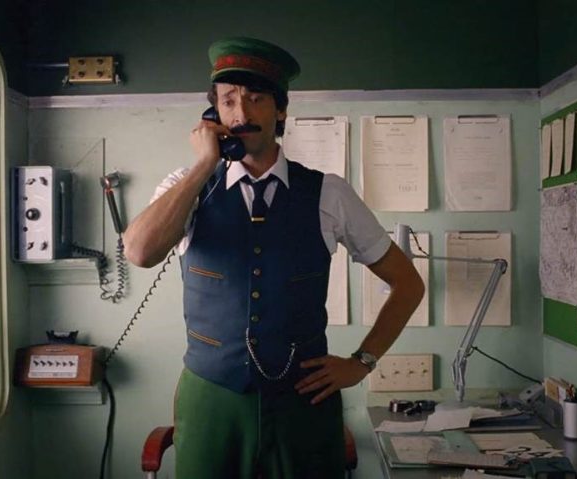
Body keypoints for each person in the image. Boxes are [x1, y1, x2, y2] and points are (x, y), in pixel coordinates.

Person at [124, 36, 425, 479]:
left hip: (304, 402)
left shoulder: (329, 193)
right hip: (211, 400)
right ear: (213, 114)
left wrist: (361, 363)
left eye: (256, 99)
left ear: (280, 110)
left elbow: (409, 284)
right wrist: (203, 166)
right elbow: (138, 252)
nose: (241, 114)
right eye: (228, 101)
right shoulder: (184, 188)